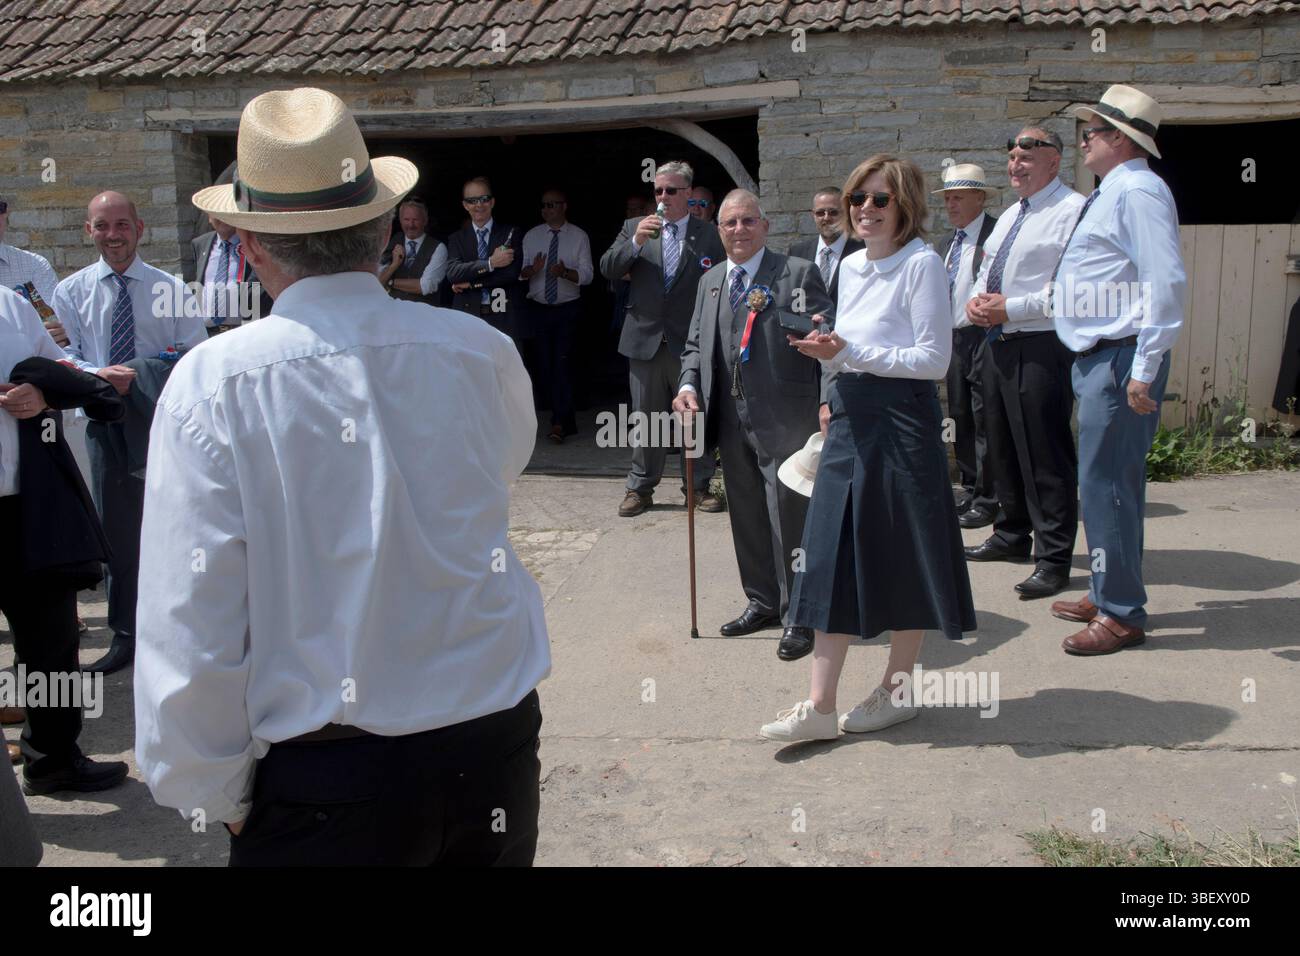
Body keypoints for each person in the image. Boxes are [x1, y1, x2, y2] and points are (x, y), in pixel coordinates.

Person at [134, 88, 550, 866]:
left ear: (250, 243)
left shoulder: (214, 383)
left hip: (330, 778)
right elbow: (502, 466)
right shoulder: (475, 350)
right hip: (488, 749)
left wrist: (213, 792)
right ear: (387, 227)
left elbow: (190, 619)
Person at [759, 154, 975, 742]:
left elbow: (933, 361)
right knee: (827, 554)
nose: (865, 209)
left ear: (905, 205)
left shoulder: (923, 265)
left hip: (904, 422)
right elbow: (849, 344)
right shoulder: (851, 267)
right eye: (859, 198)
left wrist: (848, 353)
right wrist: (834, 371)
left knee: (904, 556)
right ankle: (820, 707)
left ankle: (896, 692)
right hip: (852, 417)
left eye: (879, 199)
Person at [1050, 85, 1185, 655]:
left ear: (1118, 139)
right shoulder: (1116, 191)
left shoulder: (1138, 191)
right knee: (1107, 484)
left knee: (1107, 487)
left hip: (1122, 356)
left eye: (1092, 133)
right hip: (1103, 356)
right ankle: (1110, 588)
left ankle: (1122, 613)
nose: (1083, 141)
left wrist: (1144, 367)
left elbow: (1166, 282)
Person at [673, 189, 831, 662]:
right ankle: (762, 601)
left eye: (747, 221)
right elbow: (695, 345)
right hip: (728, 417)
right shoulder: (712, 280)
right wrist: (687, 386)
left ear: (764, 225)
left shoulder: (796, 273)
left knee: (789, 517)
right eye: (729, 223)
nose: (738, 230)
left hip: (784, 415)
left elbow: (823, 341)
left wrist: (827, 401)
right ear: (718, 230)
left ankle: (800, 613)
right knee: (744, 512)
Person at [54, 191, 205, 675]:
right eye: (102, 226)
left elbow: (192, 352)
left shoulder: (171, 289)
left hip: (159, 426)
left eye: (122, 225)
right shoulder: (71, 292)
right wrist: (97, 376)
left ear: (141, 229)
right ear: (89, 230)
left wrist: (139, 372)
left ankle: (178, 630)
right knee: (117, 533)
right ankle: (126, 634)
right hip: (103, 425)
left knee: (173, 527)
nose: (113, 235)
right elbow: (64, 357)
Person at [0, 286, 127, 795]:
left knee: (50, 643)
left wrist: (43, 392)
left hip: (27, 504)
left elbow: (59, 367)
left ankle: (52, 758)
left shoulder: (9, 303)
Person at [964, 127, 1084, 600]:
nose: (1016, 164)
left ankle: (1053, 557)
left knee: (1044, 452)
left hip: (1041, 344)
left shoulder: (1073, 212)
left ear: (1054, 161)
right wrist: (977, 302)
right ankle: (1013, 533)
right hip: (996, 342)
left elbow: (1071, 291)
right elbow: (983, 274)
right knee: (1002, 445)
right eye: (1012, 156)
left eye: (1027, 156)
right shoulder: (1013, 214)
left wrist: (1009, 307)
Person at [599, 161, 724, 516]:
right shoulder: (632, 228)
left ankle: (697, 487)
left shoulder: (710, 234)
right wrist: (636, 242)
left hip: (690, 342)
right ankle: (640, 488)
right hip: (644, 338)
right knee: (646, 418)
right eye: (658, 191)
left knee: (693, 417)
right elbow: (607, 268)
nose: (663, 197)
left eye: (671, 190)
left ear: (688, 193)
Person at [932, 164, 998, 527]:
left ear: (979, 197)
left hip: (984, 336)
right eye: (947, 198)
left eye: (958, 197)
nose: (951, 205)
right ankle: (971, 487)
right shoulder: (946, 243)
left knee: (985, 415)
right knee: (960, 416)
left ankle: (990, 497)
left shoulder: (995, 234)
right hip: (954, 338)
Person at [519, 188, 592, 443]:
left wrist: (564, 272)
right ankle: (557, 416)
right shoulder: (532, 236)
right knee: (544, 365)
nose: (547, 209)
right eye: (544, 205)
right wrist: (534, 269)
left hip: (567, 310)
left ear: (564, 206)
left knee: (563, 365)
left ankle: (561, 422)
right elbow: (521, 273)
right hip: (539, 309)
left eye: (552, 205)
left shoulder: (579, 236)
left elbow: (587, 275)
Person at [445, 177, 524, 346]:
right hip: (467, 316)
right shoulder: (456, 238)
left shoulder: (510, 233)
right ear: (465, 205)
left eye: (484, 199)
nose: (479, 205)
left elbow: (510, 274)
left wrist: (471, 284)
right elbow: (453, 273)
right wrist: (491, 263)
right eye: (472, 201)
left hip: (501, 314)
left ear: (492, 202)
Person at [188, 212, 272, 334]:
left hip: (247, 331)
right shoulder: (200, 244)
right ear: (210, 217)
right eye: (217, 213)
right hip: (208, 333)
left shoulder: (256, 243)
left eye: (227, 213)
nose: (223, 217)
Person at [378, 197, 447, 306]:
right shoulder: (393, 242)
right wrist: (394, 265)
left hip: (424, 315)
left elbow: (425, 287)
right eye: (406, 219)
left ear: (425, 221)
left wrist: (390, 282)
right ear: (400, 220)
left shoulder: (439, 247)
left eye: (415, 220)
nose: (411, 225)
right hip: (394, 311)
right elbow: (377, 282)